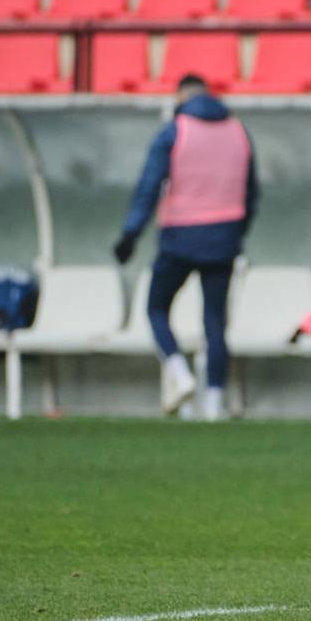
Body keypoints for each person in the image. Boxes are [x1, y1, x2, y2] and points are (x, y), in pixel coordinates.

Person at [113, 74, 258, 421]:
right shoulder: (238, 132)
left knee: (156, 307)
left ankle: (178, 370)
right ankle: (214, 402)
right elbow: (251, 192)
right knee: (215, 323)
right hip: (224, 238)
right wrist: (238, 231)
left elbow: (149, 186)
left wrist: (131, 233)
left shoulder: (175, 130)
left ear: (180, 96)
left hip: (180, 236)